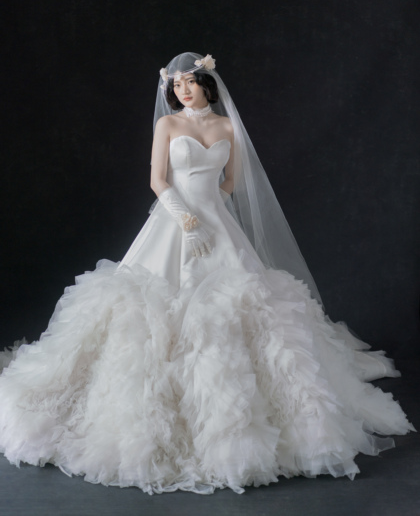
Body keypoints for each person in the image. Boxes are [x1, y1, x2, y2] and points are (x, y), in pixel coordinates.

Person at [0, 52, 414, 495]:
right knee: (149, 311)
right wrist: (185, 218)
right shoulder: (168, 125)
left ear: (206, 84)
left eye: (189, 82)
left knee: (243, 305)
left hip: (216, 224)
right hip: (175, 224)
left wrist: (213, 214)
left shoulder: (227, 127)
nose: (182, 90)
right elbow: (158, 179)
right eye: (175, 85)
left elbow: (231, 181)